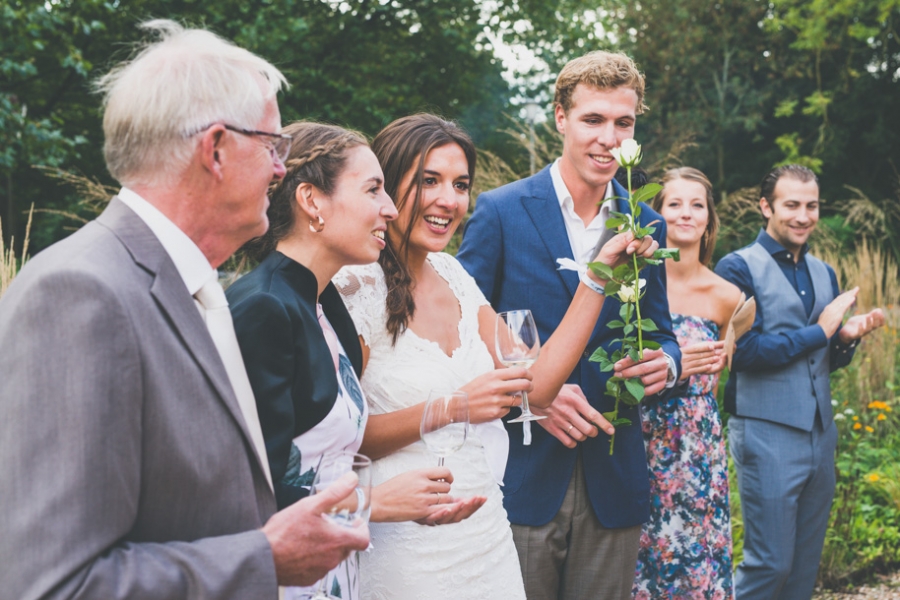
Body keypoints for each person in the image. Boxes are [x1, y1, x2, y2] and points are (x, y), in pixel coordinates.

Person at [0, 21, 368, 600]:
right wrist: (262, 559)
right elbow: (54, 585)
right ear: (216, 149)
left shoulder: (199, 285)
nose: (281, 169)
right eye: (273, 146)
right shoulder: (79, 292)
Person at [334, 113, 659, 599]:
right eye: (429, 181)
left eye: (461, 184)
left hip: (484, 535)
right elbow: (338, 441)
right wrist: (453, 407)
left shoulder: (455, 277)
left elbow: (536, 387)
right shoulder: (352, 288)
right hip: (402, 539)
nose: (449, 199)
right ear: (385, 186)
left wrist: (596, 279)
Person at [457, 51, 682, 600]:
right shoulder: (502, 210)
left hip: (614, 472)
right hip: (525, 470)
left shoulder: (646, 220)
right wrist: (536, 394)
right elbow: (458, 324)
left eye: (623, 123)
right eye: (593, 120)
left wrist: (666, 365)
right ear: (560, 117)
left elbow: (660, 328)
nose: (608, 138)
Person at [227, 121, 484, 599]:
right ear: (311, 202)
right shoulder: (262, 309)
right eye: (373, 190)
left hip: (336, 572)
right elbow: (245, 492)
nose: (389, 208)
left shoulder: (326, 307)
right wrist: (375, 503)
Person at [715, 165, 885, 599]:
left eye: (812, 206)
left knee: (803, 571)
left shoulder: (824, 272)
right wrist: (822, 330)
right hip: (764, 432)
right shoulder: (737, 268)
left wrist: (844, 339)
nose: (804, 216)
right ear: (765, 206)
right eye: (792, 205)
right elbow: (744, 354)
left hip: (819, 435)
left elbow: (819, 360)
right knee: (770, 565)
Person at [633, 167, 741, 599]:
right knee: (639, 552)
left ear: (709, 221)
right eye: (674, 203)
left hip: (696, 442)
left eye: (697, 205)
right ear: (656, 215)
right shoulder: (635, 284)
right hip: (639, 434)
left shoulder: (727, 295)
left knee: (695, 553)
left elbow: (722, 372)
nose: (686, 213)